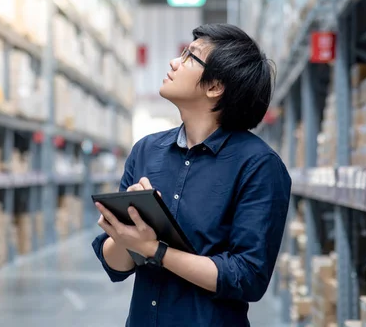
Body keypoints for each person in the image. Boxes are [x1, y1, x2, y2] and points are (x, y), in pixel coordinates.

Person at [91, 23, 291, 327]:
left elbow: (247, 277)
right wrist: (124, 232)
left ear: (214, 87)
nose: (174, 62)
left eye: (189, 56)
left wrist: (155, 250)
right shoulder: (146, 151)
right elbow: (115, 265)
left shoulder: (259, 165)